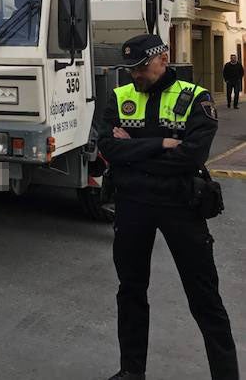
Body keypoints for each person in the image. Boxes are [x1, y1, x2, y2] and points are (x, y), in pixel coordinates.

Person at [99, 34, 238, 380]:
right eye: (130, 69)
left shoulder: (195, 99)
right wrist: (160, 143)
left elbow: (191, 157)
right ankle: (131, 371)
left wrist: (135, 151)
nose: (135, 75)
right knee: (130, 291)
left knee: (204, 297)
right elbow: (107, 148)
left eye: (141, 67)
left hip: (180, 204)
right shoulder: (119, 96)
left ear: (163, 58)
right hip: (132, 205)